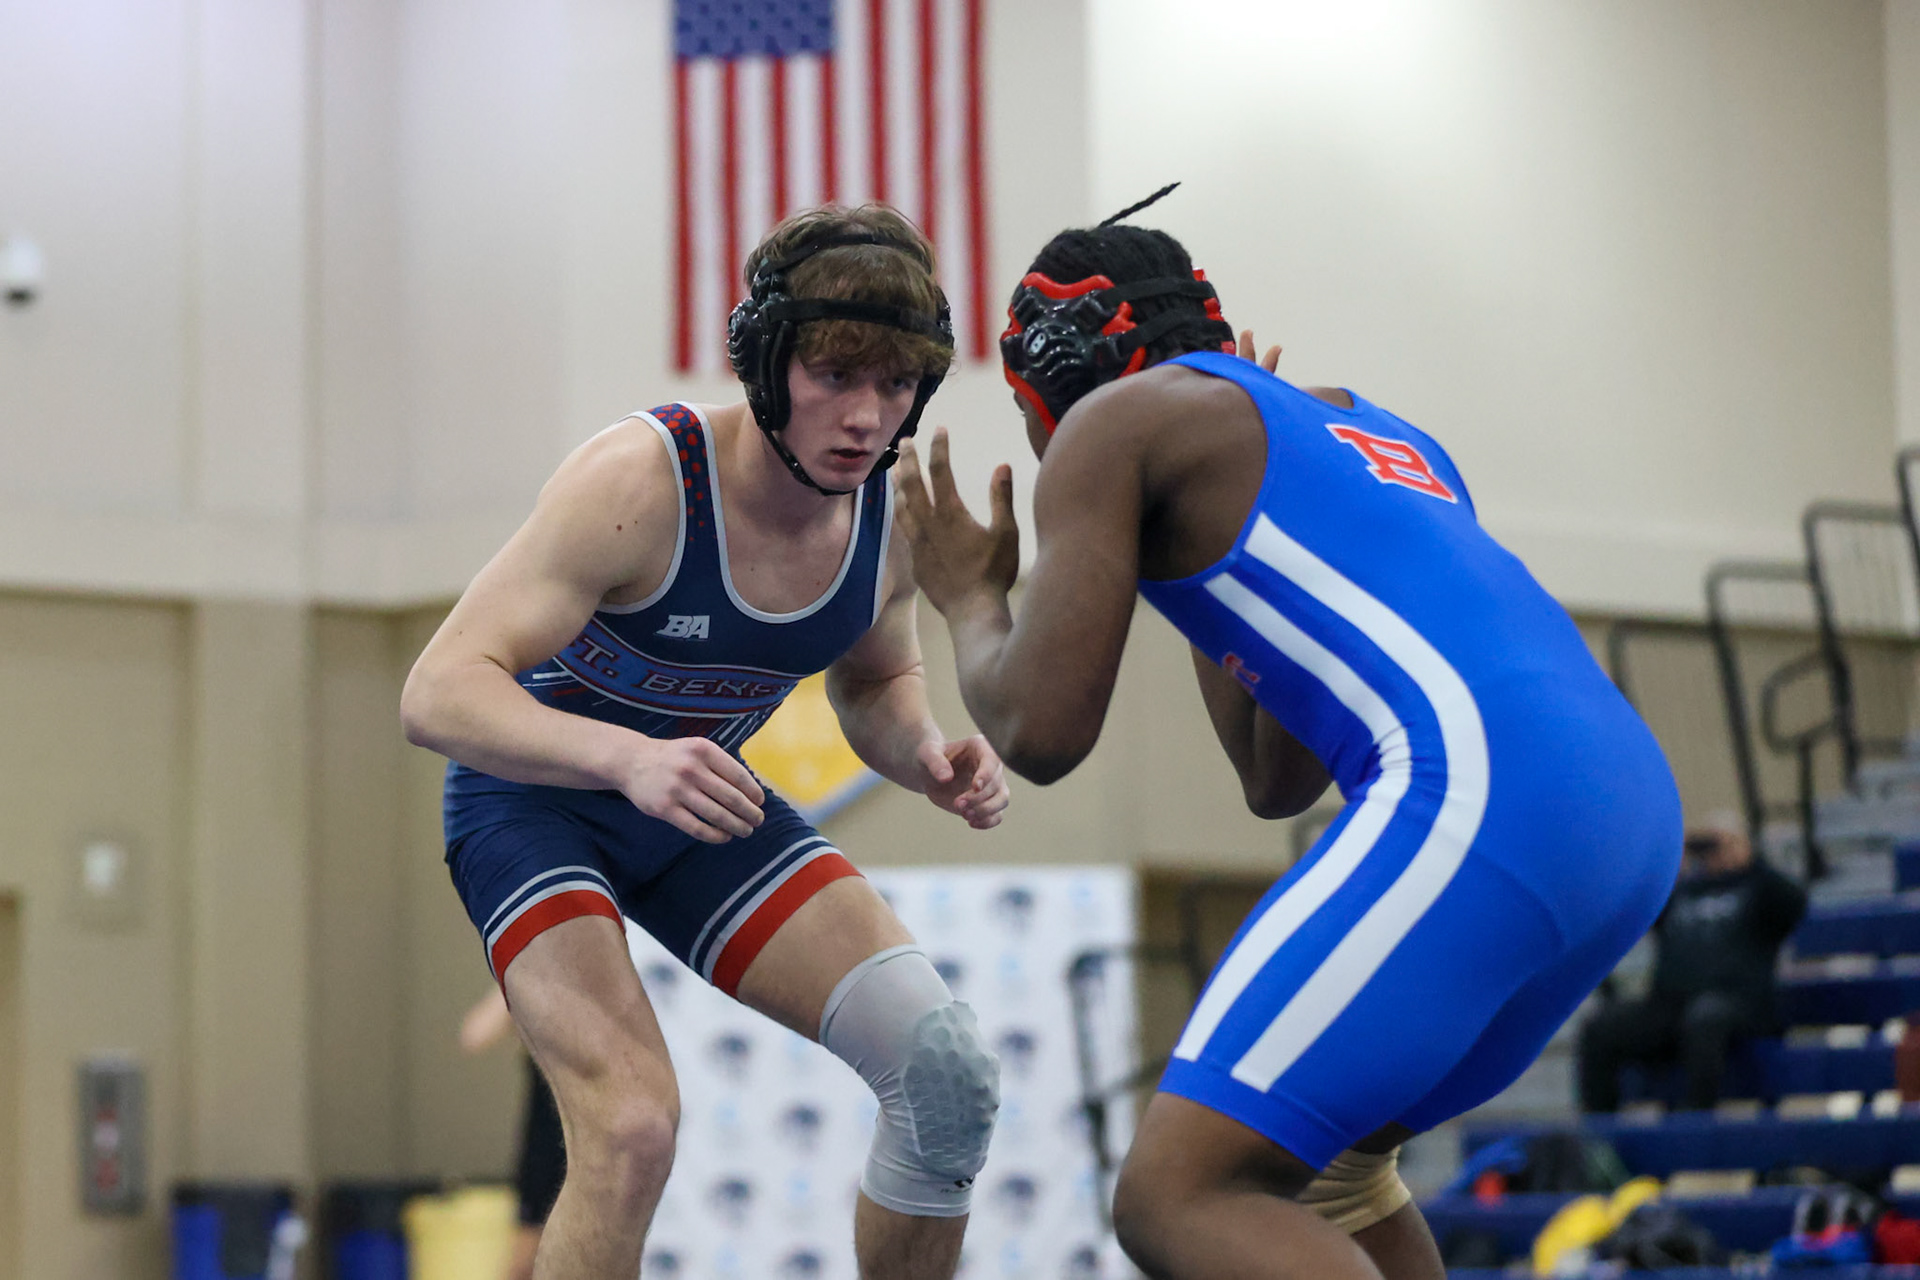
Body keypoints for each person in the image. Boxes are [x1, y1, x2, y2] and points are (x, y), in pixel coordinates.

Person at [892, 189, 1682, 1280]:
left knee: (1174, 1192)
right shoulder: (1369, 423)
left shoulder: (1111, 426)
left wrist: (969, 596)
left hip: (1484, 793)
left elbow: (1040, 727)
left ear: (1048, 387)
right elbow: (1276, 770)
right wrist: (1189, 549)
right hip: (1624, 814)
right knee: (1332, 1182)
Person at [402, 202, 1011, 1280]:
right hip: (534, 805)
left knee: (943, 1067)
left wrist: (922, 748)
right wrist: (623, 756)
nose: (867, 416)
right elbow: (437, 691)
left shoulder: (885, 514)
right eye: (836, 375)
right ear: (764, 364)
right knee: (630, 1126)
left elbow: (876, 676)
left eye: (897, 383)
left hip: (694, 809)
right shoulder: (641, 481)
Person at [1577, 817, 1807, 1113]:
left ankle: (1696, 1120)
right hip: (1671, 1005)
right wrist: (1670, 865)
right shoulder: (1683, 892)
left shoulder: (1760, 888)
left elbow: (1795, 904)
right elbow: (1636, 909)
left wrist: (1751, 862)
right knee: (1600, 1028)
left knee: (1704, 1018)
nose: (1714, 852)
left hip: (1737, 1003)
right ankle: (1601, 1136)